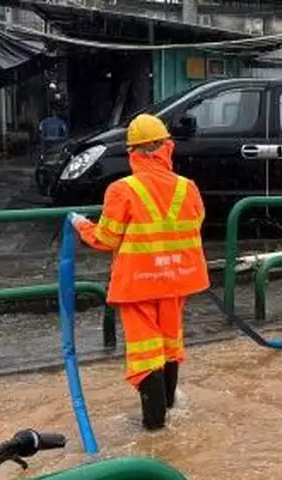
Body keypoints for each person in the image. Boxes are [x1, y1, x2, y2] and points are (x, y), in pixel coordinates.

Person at [68, 113, 210, 431]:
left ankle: (155, 430)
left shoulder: (122, 190)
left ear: (133, 152)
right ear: (167, 148)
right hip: (176, 282)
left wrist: (80, 225)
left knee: (146, 354)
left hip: (139, 285)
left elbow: (106, 239)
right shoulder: (188, 188)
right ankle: (170, 410)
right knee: (170, 345)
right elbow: (191, 226)